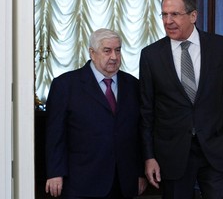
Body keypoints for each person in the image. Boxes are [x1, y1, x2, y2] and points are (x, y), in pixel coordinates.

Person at [139, 0, 223, 199]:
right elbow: (146, 111)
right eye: (164, 14)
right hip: (173, 154)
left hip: (216, 149)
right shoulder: (151, 55)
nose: (168, 21)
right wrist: (149, 156)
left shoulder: (219, 46)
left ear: (193, 16)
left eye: (175, 14)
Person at [45, 28, 147, 199]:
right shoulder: (66, 85)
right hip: (82, 181)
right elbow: (55, 135)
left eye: (118, 50)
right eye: (107, 50)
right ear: (92, 53)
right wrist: (55, 172)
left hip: (124, 181)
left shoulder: (132, 85)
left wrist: (139, 172)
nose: (114, 57)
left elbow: (138, 133)